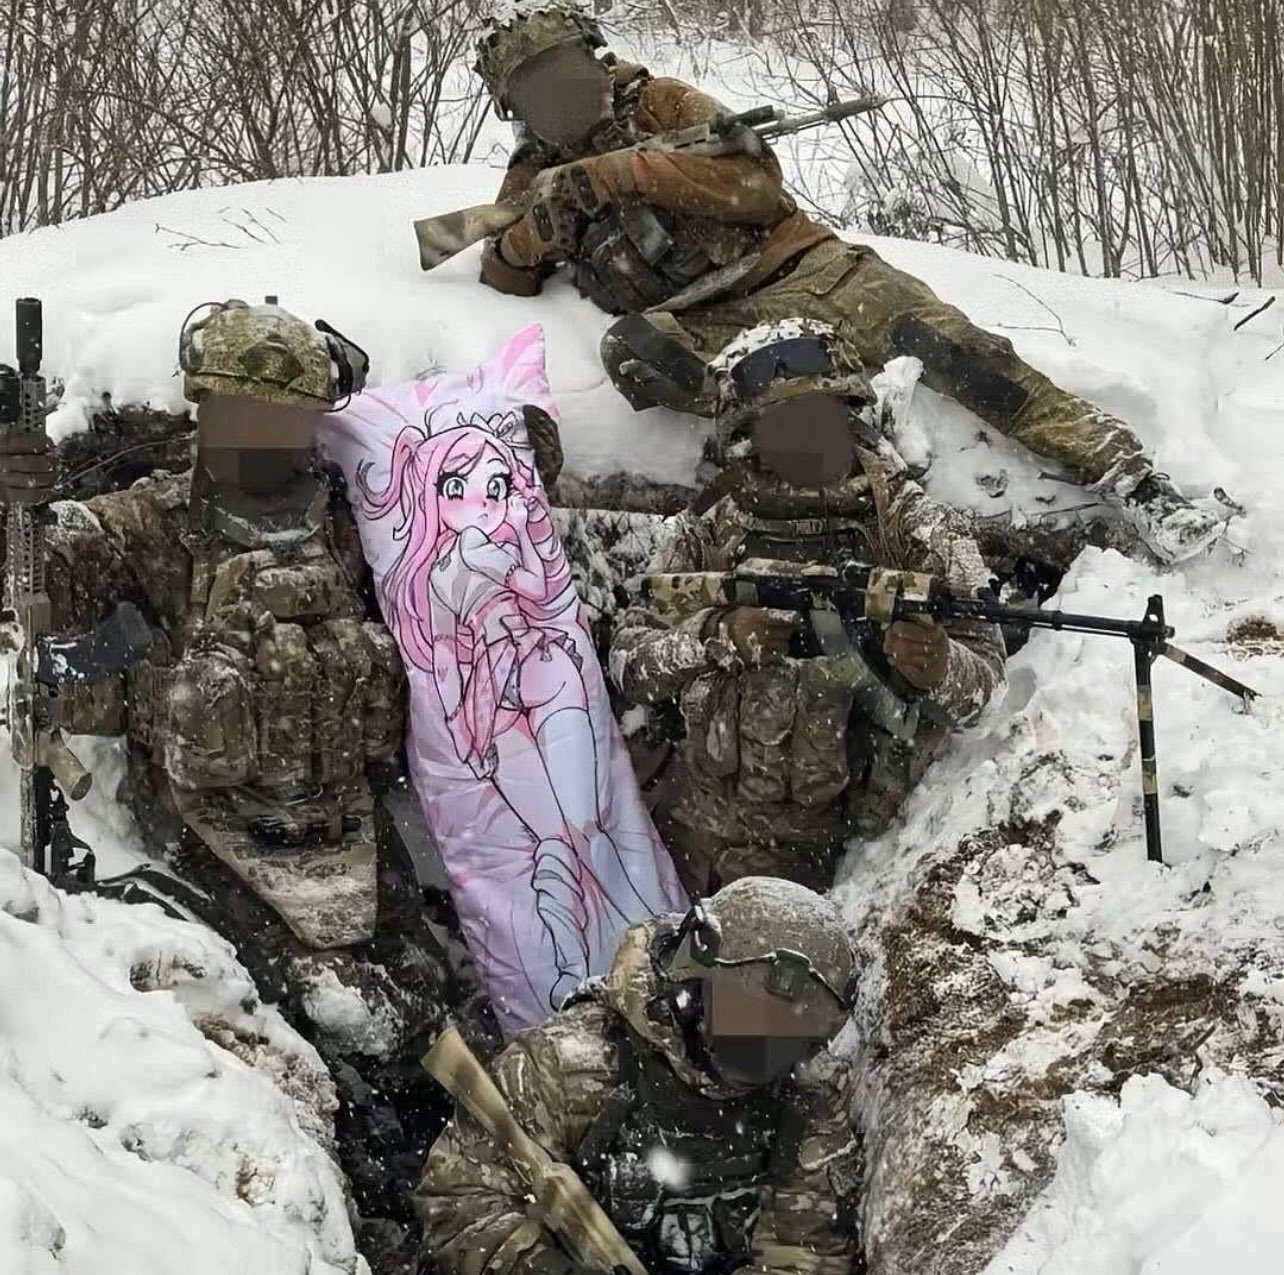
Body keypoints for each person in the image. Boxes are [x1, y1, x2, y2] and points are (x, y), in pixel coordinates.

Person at [0, 298, 491, 1251]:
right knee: (304, 1052)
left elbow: (477, 515)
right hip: (210, 848)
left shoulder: (353, 518)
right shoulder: (146, 525)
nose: (268, 437)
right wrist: (11, 505)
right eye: (245, 413)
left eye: (287, 418)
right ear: (202, 406)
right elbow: (37, 584)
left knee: (428, 1038)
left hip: (352, 839)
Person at [468, 0, 1227, 565]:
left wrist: (631, 172)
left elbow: (756, 184)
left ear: (592, 58)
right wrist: (541, 226)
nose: (557, 95)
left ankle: (1135, 482)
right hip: (715, 321)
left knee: (969, 357)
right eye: (536, 88)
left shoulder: (660, 103)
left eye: (563, 72)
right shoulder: (535, 169)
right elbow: (500, 269)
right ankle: (836, 411)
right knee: (634, 351)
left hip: (808, 268)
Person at [608, 320, 1005, 895]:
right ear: (750, 435)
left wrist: (940, 666)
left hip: (839, 857)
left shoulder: (915, 526)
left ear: (847, 414)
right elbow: (627, 661)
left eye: (817, 418)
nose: (803, 439)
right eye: (782, 425)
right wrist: (714, 635)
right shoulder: (713, 524)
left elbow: (987, 689)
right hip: (688, 834)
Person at [417, 875, 861, 1275]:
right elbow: (460, 1202)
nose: (759, 1048)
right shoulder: (572, 1065)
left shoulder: (805, 1100)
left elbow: (805, 1251)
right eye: (745, 1017)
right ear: (695, 983)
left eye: (784, 1036)